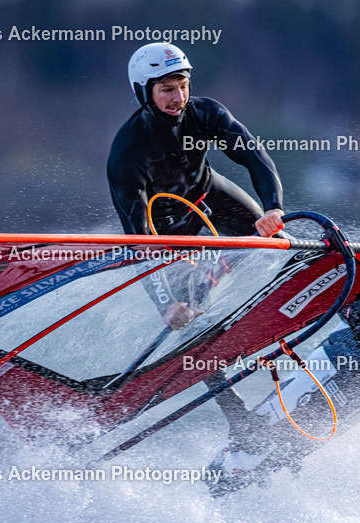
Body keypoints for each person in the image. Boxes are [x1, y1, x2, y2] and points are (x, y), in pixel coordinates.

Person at [107, 42, 289, 433]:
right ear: (144, 92)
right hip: (165, 233)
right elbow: (139, 244)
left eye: (183, 85)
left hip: (210, 197)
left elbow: (254, 156)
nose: (179, 97)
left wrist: (272, 208)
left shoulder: (206, 113)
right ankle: (237, 417)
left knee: (274, 241)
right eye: (167, 89)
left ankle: (347, 313)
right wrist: (164, 305)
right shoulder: (127, 154)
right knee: (188, 319)